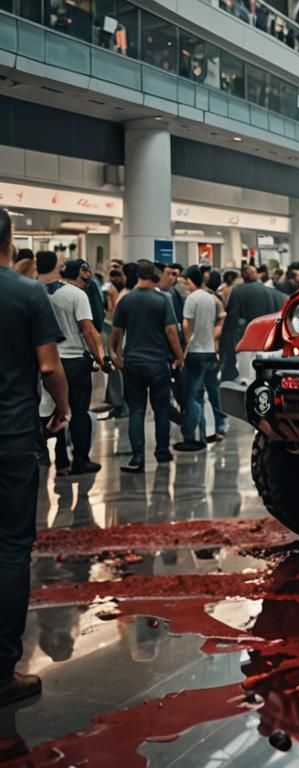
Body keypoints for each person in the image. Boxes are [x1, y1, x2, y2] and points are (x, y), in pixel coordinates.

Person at [0, 208, 69, 707]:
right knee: (9, 548)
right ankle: (2, 672)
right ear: (10, 241)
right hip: (11, 436)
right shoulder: (28, 294)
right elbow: (49, 366)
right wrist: (63, 409)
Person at [110, 260, 185, 473]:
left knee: (136, 410)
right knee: (161, 409)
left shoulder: (126, 301)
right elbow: (171, 332)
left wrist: (115, 354)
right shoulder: (163, 300)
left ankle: (137, 457)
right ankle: (162, 452)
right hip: (158, 362)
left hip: (133, 363)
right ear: (155, 277)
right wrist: (179, 357)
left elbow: (117, 333)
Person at [38, 256, 104, 477]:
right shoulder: (77, 295)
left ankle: (57, 459)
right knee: (78, 412)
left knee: (53, 409)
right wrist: (100, 358)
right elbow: (88, 329)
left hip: (46, 360)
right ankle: (80, 460)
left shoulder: (38, 293)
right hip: (75, 361)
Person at [176, 266, 226, 451]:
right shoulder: (210, 298)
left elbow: (186, 322)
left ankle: (192, 435)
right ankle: (213, 429)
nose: (184, 285)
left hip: (195, 352)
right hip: (209, 350)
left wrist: (186, 343)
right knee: (211, 391)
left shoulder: (191, 298)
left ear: (190, 280)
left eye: (185, 281)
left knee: (193, 396)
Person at [222, 264, 285, 382]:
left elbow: (233, 320)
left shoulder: (238, 291)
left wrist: (229, 345)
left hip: (249, 342)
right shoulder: (270, 291)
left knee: (247, 378)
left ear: (243, 275)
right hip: (268, 341)